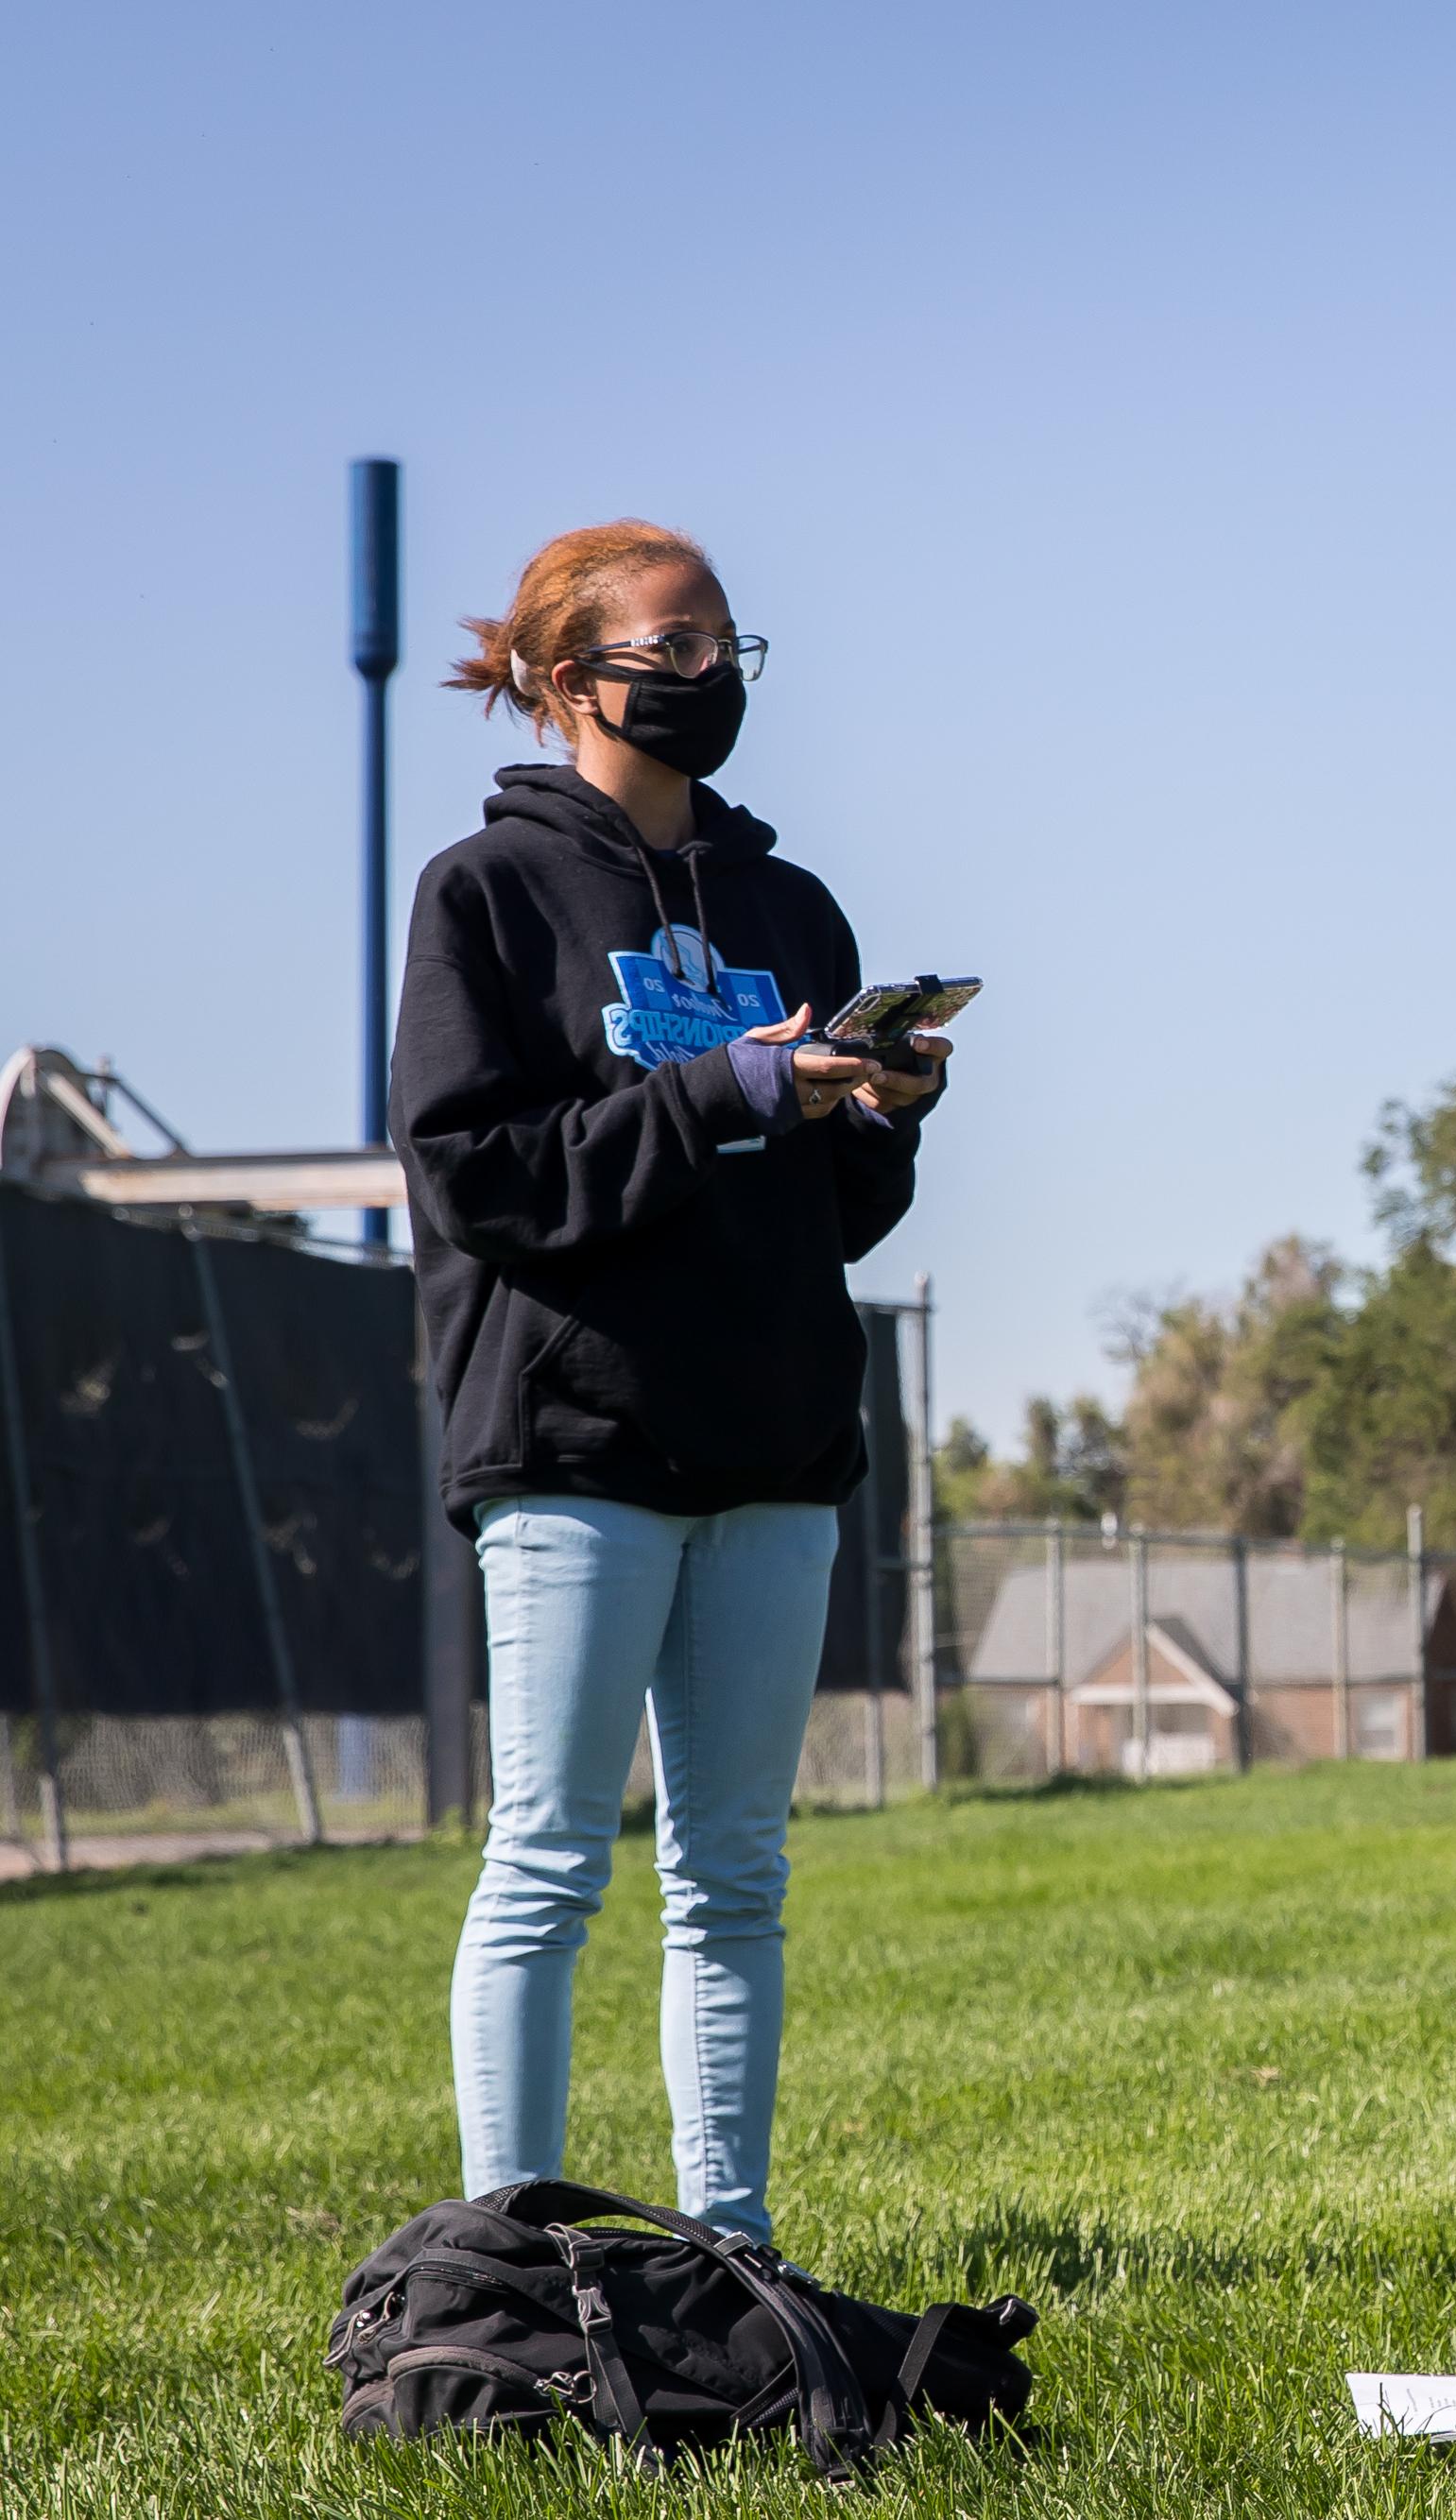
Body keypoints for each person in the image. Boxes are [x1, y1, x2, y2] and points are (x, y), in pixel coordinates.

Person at [390, 521, 953, 2244]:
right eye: (676, 651)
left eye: (729, 651)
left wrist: (877, 1114)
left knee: (737, 1878)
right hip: (574, 1444)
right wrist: (721, 1093)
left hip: (774, 1441)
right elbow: (475, 1170)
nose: (712, 682)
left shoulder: (790, 905)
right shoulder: (484, 894)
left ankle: (734, 2247)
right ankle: (512, 2253)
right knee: (549, 1863)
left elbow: (835, 1217)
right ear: (573, 679)